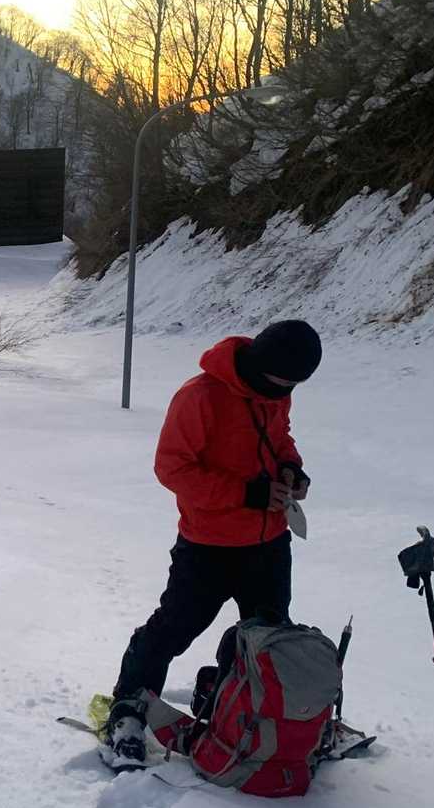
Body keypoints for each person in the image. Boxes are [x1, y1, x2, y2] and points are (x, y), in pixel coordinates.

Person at [102, 320, 323, 767]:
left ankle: (248, 715)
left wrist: (290, 469)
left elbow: (279, 438)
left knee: (267, 640)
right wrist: (246, 493)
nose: (283, 393)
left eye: (291, 387)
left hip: (269, 543)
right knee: (172, 629)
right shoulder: (199, 396)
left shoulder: (275, 390)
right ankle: (127, 712)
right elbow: (172, 468)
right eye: (278, 384)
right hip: (208, 546)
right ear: (258, 367)